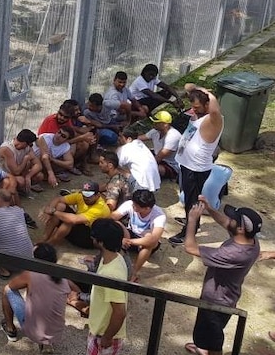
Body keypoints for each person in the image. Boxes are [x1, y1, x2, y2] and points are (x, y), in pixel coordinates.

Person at [183, 199, 261, 355]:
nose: (229, 220)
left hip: (215, 303)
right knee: (209, 336)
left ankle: (207, 349)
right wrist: (210, 208)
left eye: (234, 219)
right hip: (227, 298)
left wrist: (192, 220)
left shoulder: (234, 253)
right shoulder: (251, 240)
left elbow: (190, 247)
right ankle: (204, 347)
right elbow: (226, 223)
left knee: (213, 340)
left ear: (240, 228)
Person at [170, 84, 223, 245]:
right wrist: (198, 91)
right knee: (189, 199)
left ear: (208, 104)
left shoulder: (214, 119)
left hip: (196, 168)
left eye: (197, 107)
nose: (194, 110)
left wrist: (208, 92)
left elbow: (214, 109)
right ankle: (191, 220)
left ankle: (188, 232)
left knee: (193, 201)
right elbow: (187, 86)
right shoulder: (201, 115)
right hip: (187, 165)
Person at [0, 243, 76, 354]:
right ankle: (46, 344)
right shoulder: (63, 278)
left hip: (33, 330)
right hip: (56, 332)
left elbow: (12, 286)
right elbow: (76, 291)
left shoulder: (31, 274)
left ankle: (10, 329)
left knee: (7, 290)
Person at [87, 218, 128, 355]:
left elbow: (120, 312)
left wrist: (107, 337)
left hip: (104, 335)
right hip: (99, 328)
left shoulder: (111, 274)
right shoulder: (115, 257)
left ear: (101, 242)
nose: (92, 238)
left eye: (94, 237)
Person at [111, 189, 166, 281]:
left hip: (144, 241)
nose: (133, 206)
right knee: (115, 223)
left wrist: (129, 241)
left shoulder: (159, 215)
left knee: (149, 241)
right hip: (130, 233)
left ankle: (134, 272)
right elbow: (113, 217)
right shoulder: (130, 204)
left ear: (147, 208)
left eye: (136, 206)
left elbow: (154, 239)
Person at [39, 181, 110, 248]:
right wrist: (49, 210)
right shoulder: (80, 196)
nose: (85, 198)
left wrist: (52, 211)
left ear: (97, 195)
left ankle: (50, 243)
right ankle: (44, 238)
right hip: (81, 225)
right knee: (60, 206)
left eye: (89, 196)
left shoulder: (99, 208)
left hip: (91, 237)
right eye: (84, 195)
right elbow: (58, 199)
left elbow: (74, 220)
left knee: (68, 221)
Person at [0, 129, 45, 194]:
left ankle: (24, 187)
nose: (30, 146)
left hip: (21, 173)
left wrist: (28, 176)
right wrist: (25, 160)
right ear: (25, 143)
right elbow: (16, 171)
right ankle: (21, 188)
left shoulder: (27, 148)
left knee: (40, 176)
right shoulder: (6, 149)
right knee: (21, 181)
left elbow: (39, 165)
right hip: (7, 174)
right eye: (30, 144)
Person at [116, 129, 161, 193]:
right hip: (156, 186)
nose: (118, 138)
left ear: (129, 139)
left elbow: (115, 163)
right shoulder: (140, 143)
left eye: (121, 137)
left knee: (113, 167)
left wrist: (118, 149)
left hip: (141, 187)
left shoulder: (125, 148)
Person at [143, 111, 182, 180]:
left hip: (171, 165)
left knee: (154, 169)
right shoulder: (155, 131)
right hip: (158, 157)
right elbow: (140, 138)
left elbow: (159, 157)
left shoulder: (173, 136)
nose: (154, 123)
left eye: (157, 122)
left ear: (165, 124)